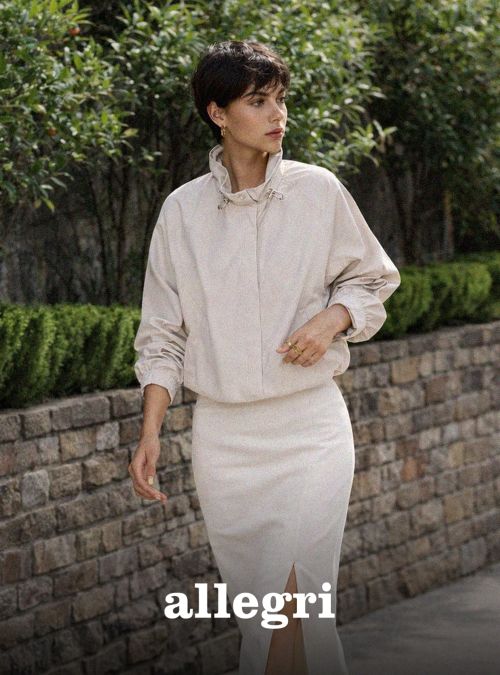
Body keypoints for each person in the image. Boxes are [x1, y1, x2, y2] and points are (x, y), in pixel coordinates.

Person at [129, 39, 401, 675]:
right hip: (226, 443)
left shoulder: (318, 191)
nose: (278, 114)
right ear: (218, 114)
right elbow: (162, 333)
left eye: (280, 99)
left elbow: (373, 278)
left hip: (310, 430)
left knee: (294, 606)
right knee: (265, 617)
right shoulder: (181, 212)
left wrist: (333, 318)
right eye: (258, 101)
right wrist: (151, 431)